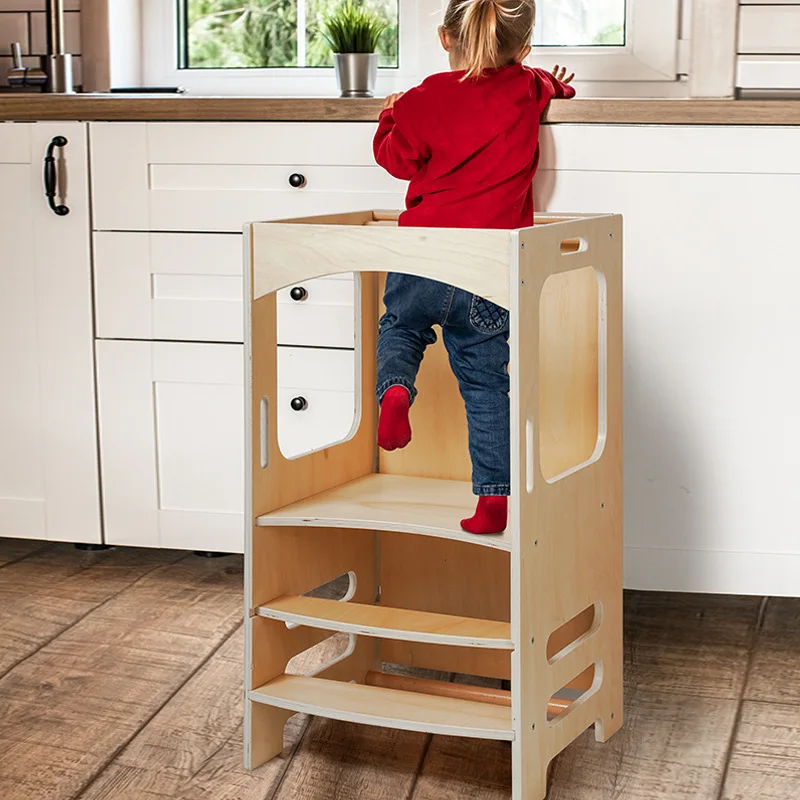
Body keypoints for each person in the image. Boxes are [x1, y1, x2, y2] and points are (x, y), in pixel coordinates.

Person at [373, 0, 575, 534]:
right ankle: (492, 504)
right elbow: (556, 89)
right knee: (486, 386)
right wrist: (558, 84)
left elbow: (397, 160)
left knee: (401, 326)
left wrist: (388, 115)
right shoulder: (528, 87)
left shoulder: (421, 99)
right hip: (489, 267)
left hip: (423, 253)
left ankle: (396, 389)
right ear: (525, 49)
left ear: (444, 37)